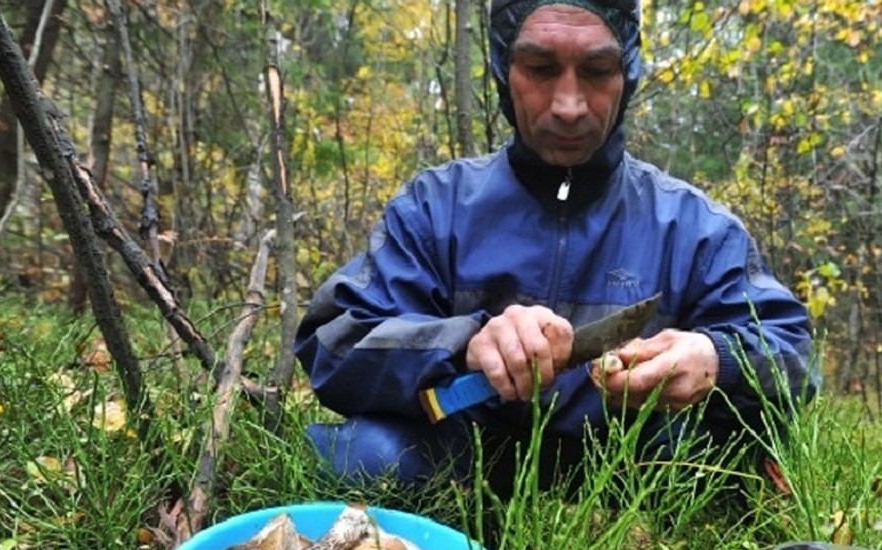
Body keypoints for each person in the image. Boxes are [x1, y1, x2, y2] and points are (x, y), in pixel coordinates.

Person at [294, 0, 818, 494]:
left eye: (596, 71)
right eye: (541, 69)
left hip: (634, 469)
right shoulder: (436, 207)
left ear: (627, 74)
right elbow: (333, 342)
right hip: (463, 461)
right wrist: (464, 345)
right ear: (504, 69)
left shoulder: (693, 227)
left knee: (739, 461)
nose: (569, 106)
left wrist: (717, 360)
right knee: (359, 456)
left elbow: (793, 350)